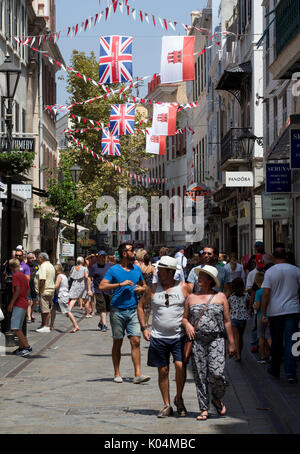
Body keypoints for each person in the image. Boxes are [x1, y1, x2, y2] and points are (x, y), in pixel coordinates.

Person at [137, 256, 192, 418]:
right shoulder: (153, 288)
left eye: (160, 269)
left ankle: (179, 397)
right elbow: (140, 306)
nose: (157, 272)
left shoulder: (184, 288)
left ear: (170, 272)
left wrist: (189, 325)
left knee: (181, 366)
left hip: (179, 336)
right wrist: (143, 328)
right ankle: (167, 404)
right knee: (163, 371)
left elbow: (193, 307)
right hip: (158, 336)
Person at [182, 265, 235, 421]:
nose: (199, 278)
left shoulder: (220, 297)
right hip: (197, 340)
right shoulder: (191, 297)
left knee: (217, 373)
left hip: (216, 339)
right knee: (200, 375)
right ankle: (203, 408)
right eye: (199, 276)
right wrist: (188, 325)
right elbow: (184, 318)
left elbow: (227, 321)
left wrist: (231, 342)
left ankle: (216, 398)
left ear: (210, 280)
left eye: (203, 276)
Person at [99, 243, 150, 384]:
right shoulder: (113, 270)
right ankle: (117, 372)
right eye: (131, 251)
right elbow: (102, 286)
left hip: (133, 310)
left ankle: (138, 374)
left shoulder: (137, 269)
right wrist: (119, 284)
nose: (134, 252)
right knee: (118, 341)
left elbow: (144, 285)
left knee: (136, 340)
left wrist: (141, 289)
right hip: (117, 311)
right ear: (124, 253)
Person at [261, 247, 300, 383]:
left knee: (276, 341)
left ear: (273, 257)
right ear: (286, 256)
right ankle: (291, 373)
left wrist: (263, 312)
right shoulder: (296, 270)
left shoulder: (270, 272)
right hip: (293, 310)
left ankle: (275, 368)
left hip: (275, 312)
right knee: (293, 342)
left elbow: (266, 293)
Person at [7, 259, 32, 357]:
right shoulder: (23, 275)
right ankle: (21, 347)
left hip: (19, 303)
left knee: (15, 327)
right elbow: (28, 290)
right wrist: (24, 297)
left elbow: (17, 290)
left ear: (11, 267)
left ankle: (27, 347)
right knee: (19, 327)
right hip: (24, 302)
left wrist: (11, 303)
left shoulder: (15, 276)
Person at [50, 265, 80, 333]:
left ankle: (76, 326)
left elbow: (56, 286)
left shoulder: (59, 276)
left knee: (67, 311)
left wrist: (49, 287)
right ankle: (51, 325)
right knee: (53, 309)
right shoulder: (64, 276)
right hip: (63, 294)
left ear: (56, 270)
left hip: (61, 295)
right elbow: (67, 285)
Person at [88, 251, 112, 332]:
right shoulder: (94, 267)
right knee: (102, 308)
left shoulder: (109, 265)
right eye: (101, 256)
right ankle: (104, 325)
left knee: (108, 309)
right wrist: (89, 289)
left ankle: (101, 322)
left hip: (109, 290)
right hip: (99, 290)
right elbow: (89, 278)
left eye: (104, 256)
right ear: (98, 257)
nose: (102, 258)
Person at [228, 278, 250, 362]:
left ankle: (238, 355)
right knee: (240, 337)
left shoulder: (231, 296)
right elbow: (248, 304)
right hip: (243, 318)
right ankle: (239, 352)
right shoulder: (246, 295)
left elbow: (229, 307)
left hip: (233, 318)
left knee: (236, 337)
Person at [34, 252, 55, 333]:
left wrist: (40, 290)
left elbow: (42, 279)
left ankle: (46, 326)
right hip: (50, 289)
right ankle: (44, 325)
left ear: (42, 258)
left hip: (44, 290)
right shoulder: (50, 265)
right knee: (46, 308)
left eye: (38, 258)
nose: (37, 259)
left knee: (44, 309)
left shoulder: (43, 266)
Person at [253, 272, 271, 364]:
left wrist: (253, 306)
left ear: (257, 282)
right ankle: (270, 354)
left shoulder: (258, 292)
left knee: (261, 337)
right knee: (269, 336)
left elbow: (257, 306)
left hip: (261, 315)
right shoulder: (270, 290)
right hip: (270, 315)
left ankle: (263, 356)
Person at [139, 253, 156, 327]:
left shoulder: (140, 267)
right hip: (149, 288)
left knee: (141, 305)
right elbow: (156, 277)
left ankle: (141, 321)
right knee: (148, 306)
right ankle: (146, 322)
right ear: (150, 260)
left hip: (141, 287)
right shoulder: (152, 268)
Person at [26, 253, 39, 323]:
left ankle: (30, 314)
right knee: (28, 302)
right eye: (30, 258)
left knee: (36, 302)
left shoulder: (36, 265)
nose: (32, 259)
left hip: (34, 286)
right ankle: (29, 317)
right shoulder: (25, 266)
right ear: (27, 259)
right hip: (27, 286)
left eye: (32, 258)